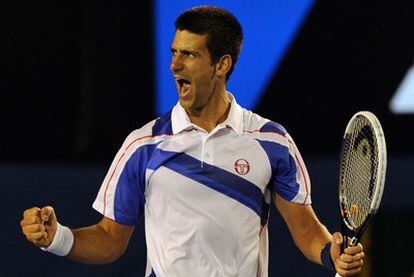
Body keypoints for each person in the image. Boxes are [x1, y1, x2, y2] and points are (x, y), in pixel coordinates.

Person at [20, 5, 364, 277]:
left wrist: (328, 252)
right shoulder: (143, 145)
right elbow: (110, 239)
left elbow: (306, 228)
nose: (174, 65)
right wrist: (58, 238)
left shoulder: (272, 142)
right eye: (173, 52)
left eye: (189, 55)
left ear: (221, 65)